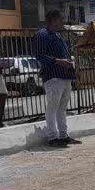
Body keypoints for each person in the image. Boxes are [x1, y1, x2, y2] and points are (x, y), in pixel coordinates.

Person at [32, 10, 80, 148]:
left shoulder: (57, 35)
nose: (62, 22)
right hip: (53, 76)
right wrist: (59, 61)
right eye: (60, 20)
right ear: (52, 21)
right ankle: (52, 137)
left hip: (65, 75)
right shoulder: (42, 35)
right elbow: (40, 56)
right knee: (53, 107)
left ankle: (63, 135)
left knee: (62, 107)